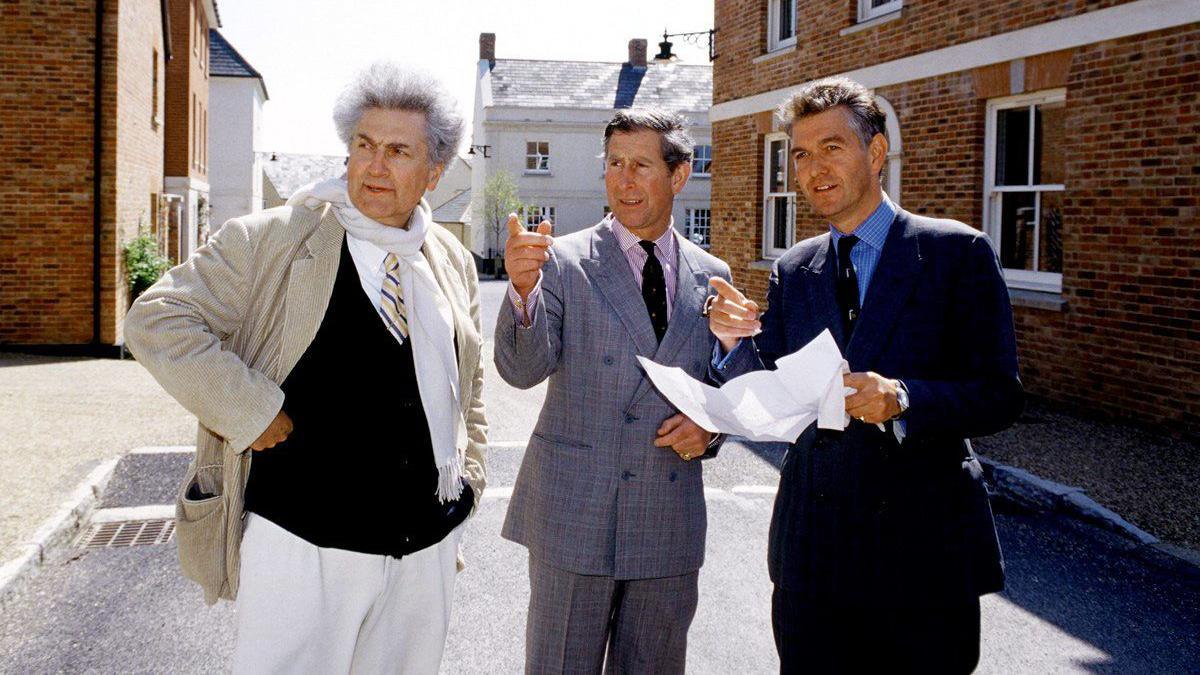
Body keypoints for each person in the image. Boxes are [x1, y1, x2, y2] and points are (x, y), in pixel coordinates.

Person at [124, 62, 487, 673]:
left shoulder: (449, 258)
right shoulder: (273, 239)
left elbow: (469, 389)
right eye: (363, 146)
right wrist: (250, 408)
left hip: (423, 552)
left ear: (435, 171)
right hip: (302, 547)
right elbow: (156, 320)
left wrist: (468, 485)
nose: (375, 166)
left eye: (398, 151)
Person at [706, 77, 1023, 674]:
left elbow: (1000, 395)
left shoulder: (956, 253)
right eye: (799, 153)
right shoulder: (795, 269)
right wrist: (732, 341)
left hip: (923, 558)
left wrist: (904, 398)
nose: (813, 168)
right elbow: (770, 393)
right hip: (813, 559)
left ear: (875, 153)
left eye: (832, 146)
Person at [495, 108, 730, 674]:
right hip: (573, 514)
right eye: (614, 165)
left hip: (666, 518)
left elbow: (727, 386)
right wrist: (523, 294)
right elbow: (521, 371)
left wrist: (712, 427)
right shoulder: (561, 262)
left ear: (678, 175)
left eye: (641, 166)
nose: (623, 181)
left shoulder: (712, 273)